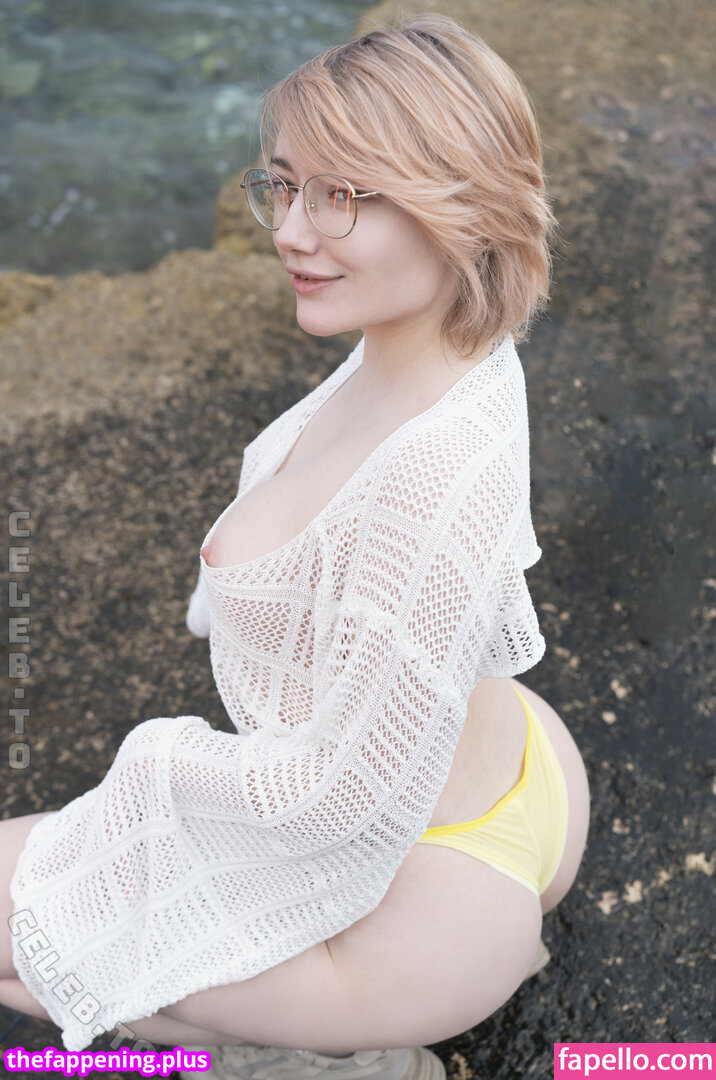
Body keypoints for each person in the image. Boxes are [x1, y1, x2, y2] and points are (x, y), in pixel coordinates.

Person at [0, 12, 591, 1080]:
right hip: (520, 771)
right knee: (62, 927)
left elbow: (342, 796)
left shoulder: (426, 476)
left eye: (341, 197)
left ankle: (345, 1056)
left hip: (428, 913)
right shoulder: (454, 351)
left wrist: (154, 769)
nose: (289, 231)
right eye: (281, 186)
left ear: (460, 204)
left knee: (44, 959)